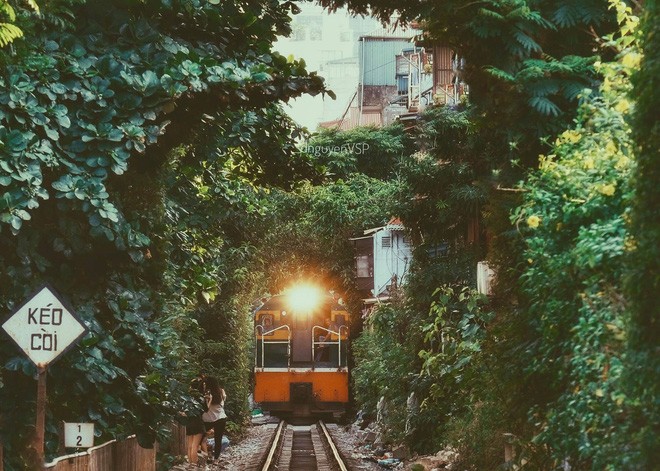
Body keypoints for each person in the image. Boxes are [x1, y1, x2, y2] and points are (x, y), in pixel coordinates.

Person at [202, 376, 227, 464]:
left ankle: (206, 456)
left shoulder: (205, 393)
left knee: (201, 438)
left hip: (207, 419)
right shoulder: (221, 391)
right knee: (218, 439)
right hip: (220, 418)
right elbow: (223, 403)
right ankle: (216, 459)